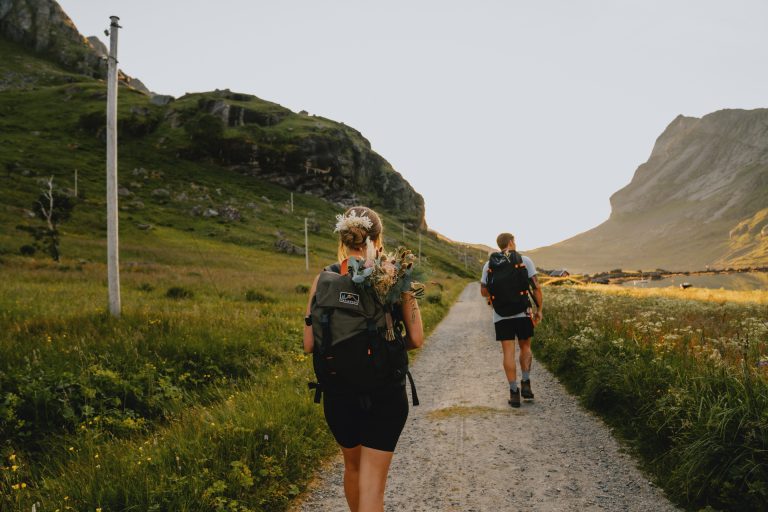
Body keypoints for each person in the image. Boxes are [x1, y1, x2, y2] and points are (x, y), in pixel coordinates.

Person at [303, 206, 424, 512]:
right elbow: (416, 339)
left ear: (344, 238)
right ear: (377, 238)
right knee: (373, 485)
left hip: (338, 391)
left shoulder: (323, 279)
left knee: (353, 468)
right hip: (384, 392)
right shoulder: (394, 277)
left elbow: (308, 345)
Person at [480, 233, 543, 408]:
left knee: (508, 353)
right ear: (510, 242)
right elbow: (536, 288)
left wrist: (495, 295)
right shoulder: (525, 260)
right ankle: (526, 383)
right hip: (523, 312)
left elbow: (483, 291)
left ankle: (514, 393)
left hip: (501, 315)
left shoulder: (488, 265)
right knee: (525, 347)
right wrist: (539, 310)